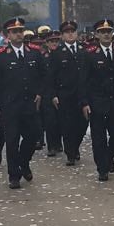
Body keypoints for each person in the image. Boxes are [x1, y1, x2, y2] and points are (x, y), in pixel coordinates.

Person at [0, 18, 46, 189]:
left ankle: (24, 162)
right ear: (8, 36)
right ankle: (14, 175)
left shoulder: (34, 53)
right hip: (10, 106)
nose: (19, 34)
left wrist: (40, 93)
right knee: (12, 141)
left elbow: (44, 76)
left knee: (33, 136)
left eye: (21, 30)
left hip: (29, 104)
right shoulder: (0, 56)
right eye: (14, 31)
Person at [79, 19, 114, 181]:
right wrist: (84, 102)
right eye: (102, 32)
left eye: (109, 31)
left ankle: (108, 156)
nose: (106, 34)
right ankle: (102, 168)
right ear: (97, 34)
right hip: (97, 102)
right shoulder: (89, 54)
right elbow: (83, 80)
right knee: (98, 138)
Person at [50, 20, 87, 167]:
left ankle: (75, 146)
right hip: (65, 95)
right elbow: (51, 77)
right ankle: (70, 153)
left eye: (73, 31)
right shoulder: (57, 54)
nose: (70, 34)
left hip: (82, 94)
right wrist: (53, 94)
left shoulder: (84, 51)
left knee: (82, 124)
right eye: (67, 32)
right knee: (67, 125)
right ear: (62, 36)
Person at [37, 26, 64, 157]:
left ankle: (59, 144)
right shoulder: (42, 56)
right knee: (50, 120)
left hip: (61, 91)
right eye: (52, 41)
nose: (54, 43)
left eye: (56, 41)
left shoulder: (62, 54)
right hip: (47, 93)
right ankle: (51, 145)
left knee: (61, 120)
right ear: (47, 43)